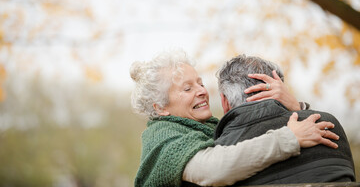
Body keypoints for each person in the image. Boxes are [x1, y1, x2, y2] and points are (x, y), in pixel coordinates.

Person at [130, 49, 339, 187]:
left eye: (200, 83)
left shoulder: (206, 128)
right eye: (187, 88)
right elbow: (215, 169)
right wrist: (289, 138)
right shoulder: (163, 140)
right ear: (161, 108)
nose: (202, 91)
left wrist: (296, 107)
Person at [215, 54, 356, 185]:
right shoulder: (325, 124)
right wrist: (298, 109)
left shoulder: (220, 150)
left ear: (225, 101)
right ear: (281, 89)